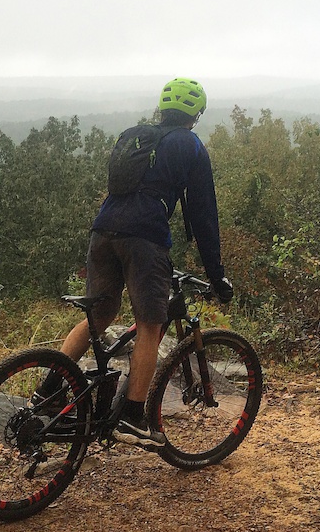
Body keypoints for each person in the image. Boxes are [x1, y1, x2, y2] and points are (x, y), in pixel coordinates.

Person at [48, 77, 233, 449]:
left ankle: (47, 392)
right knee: (151, 325)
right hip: (145, 239)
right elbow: (203, 217)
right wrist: (217, 276)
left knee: (97, 317)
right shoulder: (191, 145)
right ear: (195, 114)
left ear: (162, 108)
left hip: (103, 231)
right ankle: (132, 418)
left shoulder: (136, 134)